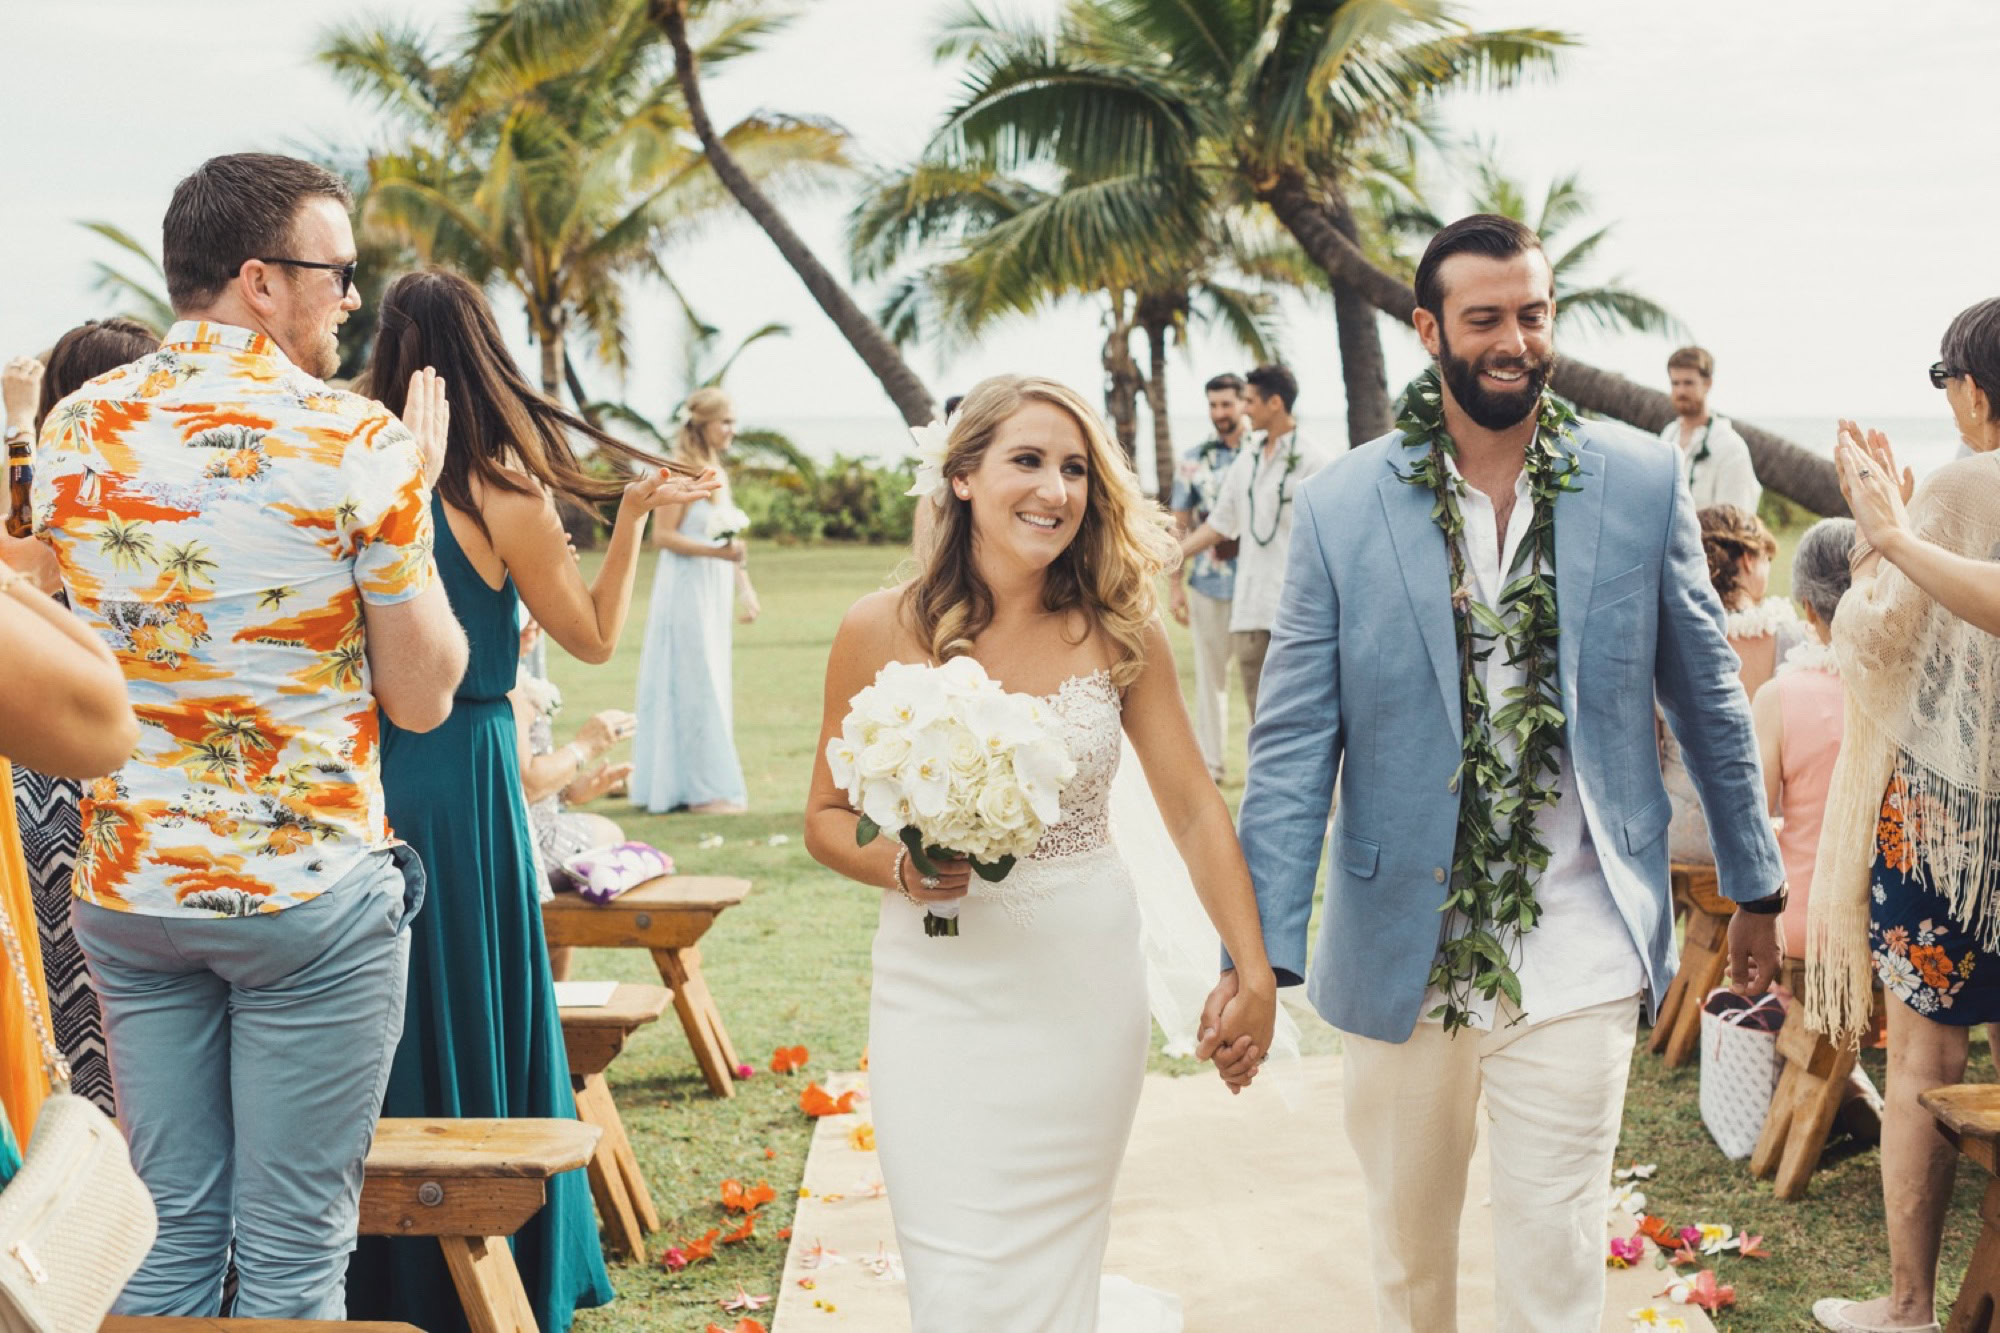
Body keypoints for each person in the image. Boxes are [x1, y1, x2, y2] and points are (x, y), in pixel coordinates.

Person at [1223, 215, 1786, 1333]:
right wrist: (1259, 953)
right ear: (1429, 329)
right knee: (1407, 1262)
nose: (1512, 340)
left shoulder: (1636, 481)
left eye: (1531, 314)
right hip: (1398, 947)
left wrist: (1753, 883)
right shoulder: (1339, 507)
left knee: (1556, 1251)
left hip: (1578, 945)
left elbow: (1707, 697)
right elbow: (1289, 745)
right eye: (1483, 318)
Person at [36, 152, 467, 1319]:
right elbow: (424, 693)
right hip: (305, 893)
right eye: (337, 273)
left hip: (131, 892)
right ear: (260, 281)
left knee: (163, 1239)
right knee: (290, 1259)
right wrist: (407, 505)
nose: (352, 299)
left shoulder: (72, 429)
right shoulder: (353, 440)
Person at [803, 373, 1276, 1332]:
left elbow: (1189, 808)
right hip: (934, 990)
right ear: (964, 475)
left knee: (1058, 1258)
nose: (1055, 489)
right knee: (953, 1271)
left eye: (1073, 468)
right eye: (1028, 460)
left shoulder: (1120, 628)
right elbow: (822, 812)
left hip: (1080, 981)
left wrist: (1252, 967)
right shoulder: (874, 629)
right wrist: (898, 864)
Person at [345, 268, 717, 1333]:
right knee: (480, 987)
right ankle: (502, 1254)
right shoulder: (506, 496)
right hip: (466, 771)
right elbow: (593, 639)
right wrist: (635, 520)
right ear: (486, 355)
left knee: (389, 1010)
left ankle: (385, 1269)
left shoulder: (354, 472)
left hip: (366, 768)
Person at [1808, 297, 2000, 1333]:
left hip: (1945, 824)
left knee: (1924, 1058)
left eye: (1945, 378)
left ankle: (1910, 1303)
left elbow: (1875, 643)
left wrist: (1879, 541)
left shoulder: (1967, 483)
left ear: (1970, 388)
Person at [8, 319, 161, 1119]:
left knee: (63, 1013)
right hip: (130, 786)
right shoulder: (156, 515)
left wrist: (18, 422)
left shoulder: (47, 513)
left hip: (41, 783)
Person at [1178, 363, 1337, 722]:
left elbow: (1335, 536)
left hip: (1297, 614)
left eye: (1249, 401)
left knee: (1302, 718)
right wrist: (1172, 554)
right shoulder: (1247, 460)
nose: (1244, 409)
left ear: (1275, 403)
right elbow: (1219, 524)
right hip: (1249, 611)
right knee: (1260, 719)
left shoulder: (1316, 462)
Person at [630, 386, 758, 815]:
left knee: (711, 678)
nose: (732, 431)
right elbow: (663, 537)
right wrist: (718, 554)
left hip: (713, 590)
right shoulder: (681, 470)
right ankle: (697, 787)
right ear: (703, 424)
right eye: (726, 422)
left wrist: (745, 587)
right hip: (685, 589)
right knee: (690, 678)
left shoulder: (715, 468)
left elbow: (726, 535)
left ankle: (700, 781)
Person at [1663, 503, 1798, 863]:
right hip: (1759, 835)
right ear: (1750, 561)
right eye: (1767, 558)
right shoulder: (1791, 640)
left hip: (1676, 834)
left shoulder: (1669, 636)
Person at [1837, 412, 2000, 638]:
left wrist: (1874, 538)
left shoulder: (1954, 486)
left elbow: (1871, 640)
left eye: (1941, 379)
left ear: (1973, 391)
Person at [1167, 373, 1248, 782]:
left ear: (1243, 402)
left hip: (1260, 589)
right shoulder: (1192, 460)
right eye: (1213, 405)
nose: (1219, 413)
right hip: (1208, 586)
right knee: (1210, 681)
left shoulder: (1264, 453)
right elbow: (1178, 527)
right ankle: (1212, 769)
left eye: (1227, 404)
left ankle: (1266, 769)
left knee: (1266, 686)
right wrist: (1175, 586)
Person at [1661, 345, 1762, 513]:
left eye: (1688, 383)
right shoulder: (1668, 435)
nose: (1680, 391)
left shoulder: (1730, 447)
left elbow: (1735, 520)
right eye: (1675, 383)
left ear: (1708, 384)